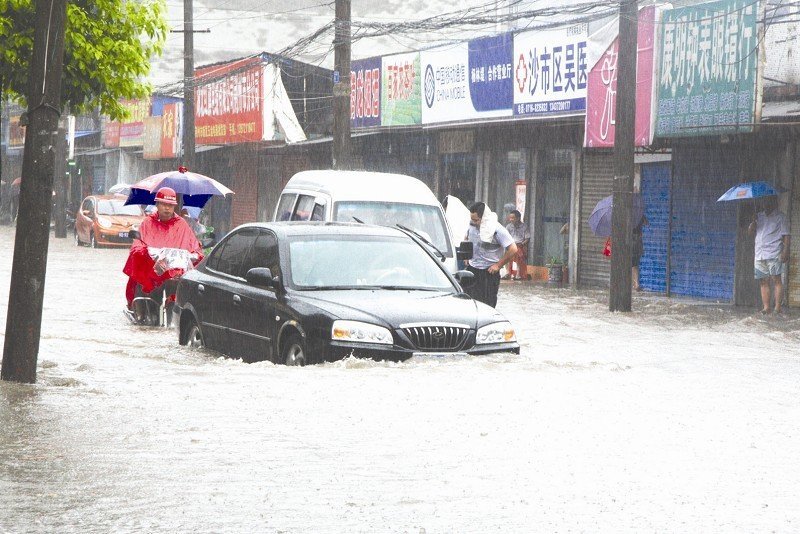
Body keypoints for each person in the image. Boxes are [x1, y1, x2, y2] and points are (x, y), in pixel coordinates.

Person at [123, 187, 204, 312]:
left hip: (175, 276)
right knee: (146, 303)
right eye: (164, 204)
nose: (167, 208)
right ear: (157, 204)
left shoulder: (181, 224)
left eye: (170, 205)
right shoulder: (147, 223)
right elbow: (137, 246)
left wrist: (194, 255)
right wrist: (145, 252)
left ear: (175, 207)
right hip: (151, 274)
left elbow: (194, 248)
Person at [464, 202, 517, 307]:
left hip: (489, 273)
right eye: (472, 219)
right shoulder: (472, 226)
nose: (473, 222)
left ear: (484, 218)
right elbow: (466, 238)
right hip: (473, 269)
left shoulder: (497, 229)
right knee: (470, 304)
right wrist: (466, 255)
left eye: (476, 220)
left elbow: (513, 249)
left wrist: (498, 265)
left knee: (487, 305)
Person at [748, 196, 790, 314]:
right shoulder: (758, 216)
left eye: (768, 202)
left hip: (774, 253)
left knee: (776, 280)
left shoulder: (780, 217)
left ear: (774, 203)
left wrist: (785, 251)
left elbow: (786, 235)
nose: (766, 204)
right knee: (763, 281)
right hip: (759, 254)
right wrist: (753, 222)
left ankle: (777, 308)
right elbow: (750, 233)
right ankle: (766, 308)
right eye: (764, 202)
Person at [504, 209, 530, 280]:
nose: (511, 219)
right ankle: (507, 273)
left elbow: (527, 238)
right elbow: (505, 237)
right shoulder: (508, 226)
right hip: (510, 245)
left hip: (520, 245)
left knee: (519, 254)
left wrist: (522, 244)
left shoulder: (524, 226)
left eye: (513, 218)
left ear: (518, 218)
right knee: (505, 255)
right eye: (510, 218)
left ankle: (518, 274)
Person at [632, 215, 649, 291]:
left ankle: (635, 284)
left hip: (631, 242)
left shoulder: (627, 217)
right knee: (635, 265)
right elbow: (646, 223)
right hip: (637, 242)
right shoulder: (639, 215)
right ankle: (636, 284)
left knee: (632, 264)